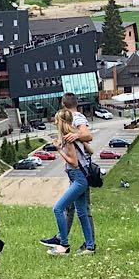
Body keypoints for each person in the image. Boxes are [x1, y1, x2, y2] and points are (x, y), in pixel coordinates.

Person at [40, 93, 96, 253]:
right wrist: (80, 141)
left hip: (78, 177)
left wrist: (60, 149)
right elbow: (90, 148)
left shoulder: (70, 136)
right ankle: (90, 246)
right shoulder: (73, 135)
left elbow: (73, 162)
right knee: (82, 213)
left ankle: (63, 244)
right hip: (80, 177)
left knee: (58, 208)